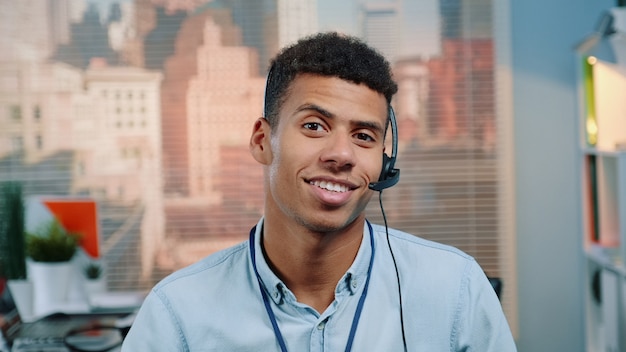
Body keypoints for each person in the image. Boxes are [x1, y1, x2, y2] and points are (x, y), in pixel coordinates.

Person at [121, 32, 516, 351]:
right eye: (314, 126)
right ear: (263, 141)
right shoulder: (177, 314)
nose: (341, 155)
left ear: (385, 163)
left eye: (363, 136)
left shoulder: (456, 290)